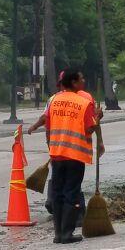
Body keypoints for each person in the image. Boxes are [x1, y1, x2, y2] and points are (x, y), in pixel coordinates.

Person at [28, 71, 103, 219]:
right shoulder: (85, 99)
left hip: (57, 149)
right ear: (74, 82)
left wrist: (41, 133)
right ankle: (73, 221)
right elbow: (90, 126)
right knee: (72, 188)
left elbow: (47, 120)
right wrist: (99, 134)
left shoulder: (54, 99)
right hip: (75, 151)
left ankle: (60, 228)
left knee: (61, 187)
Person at [45, 68, 102, 243]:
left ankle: (58, 234)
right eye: (82, 79)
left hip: (57, 154)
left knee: (57, 193)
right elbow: (88, 129)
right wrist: (98, 117)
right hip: (75, 155)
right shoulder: (84, 103)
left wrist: (50, 146)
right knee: (71, 193)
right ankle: (67, 233)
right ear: (74, 82)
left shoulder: (53, 100)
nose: (84, 81)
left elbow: (48, 126)